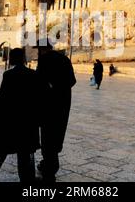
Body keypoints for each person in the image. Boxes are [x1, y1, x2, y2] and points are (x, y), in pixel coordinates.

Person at [0, 48, 43, 183]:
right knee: (26, 149)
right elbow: (37, 98)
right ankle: (27, 177)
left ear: (12, 59)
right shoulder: (32, 74)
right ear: (23, 58)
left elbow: (3, 98)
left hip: (10, 118)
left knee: (2, 145)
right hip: (27, 119)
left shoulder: (8, 75)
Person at [35, 39, 77, 183]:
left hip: (48, 105)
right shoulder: (64, 59)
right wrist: (60, 89)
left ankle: (50, 171)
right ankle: (48, 164)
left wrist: (51, 89)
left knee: (47, 137)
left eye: (39, 49)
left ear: (43, 49)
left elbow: (39, 82)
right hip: (63, 104)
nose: (38, 52)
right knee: (57, 134)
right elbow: (72, 81)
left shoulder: (44, 60)